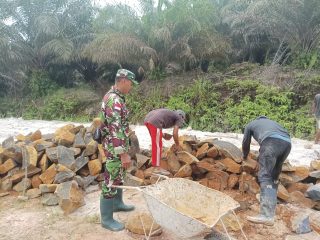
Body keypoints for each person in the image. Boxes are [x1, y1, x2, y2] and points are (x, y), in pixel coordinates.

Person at [99, 69, 138, 231]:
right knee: (110, 180)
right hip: (115, 148)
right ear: (122, 80)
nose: (131, 87)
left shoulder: (116, 97)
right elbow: (115, 129)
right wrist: (123, 154)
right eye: (130, 83)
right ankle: (106, 219)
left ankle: (118, 204)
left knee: (118, 176)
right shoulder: (114, 100)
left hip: (118, 145)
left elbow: (121, 124)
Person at [242, 116, 291, 226]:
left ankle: (266, 215)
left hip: (271, 142)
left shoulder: (251, 124)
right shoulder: (273, 123)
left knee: (265, 175)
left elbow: (246, 142)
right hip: (287, 144)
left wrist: (244, 156)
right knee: (274, 176)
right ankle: (271, 202)